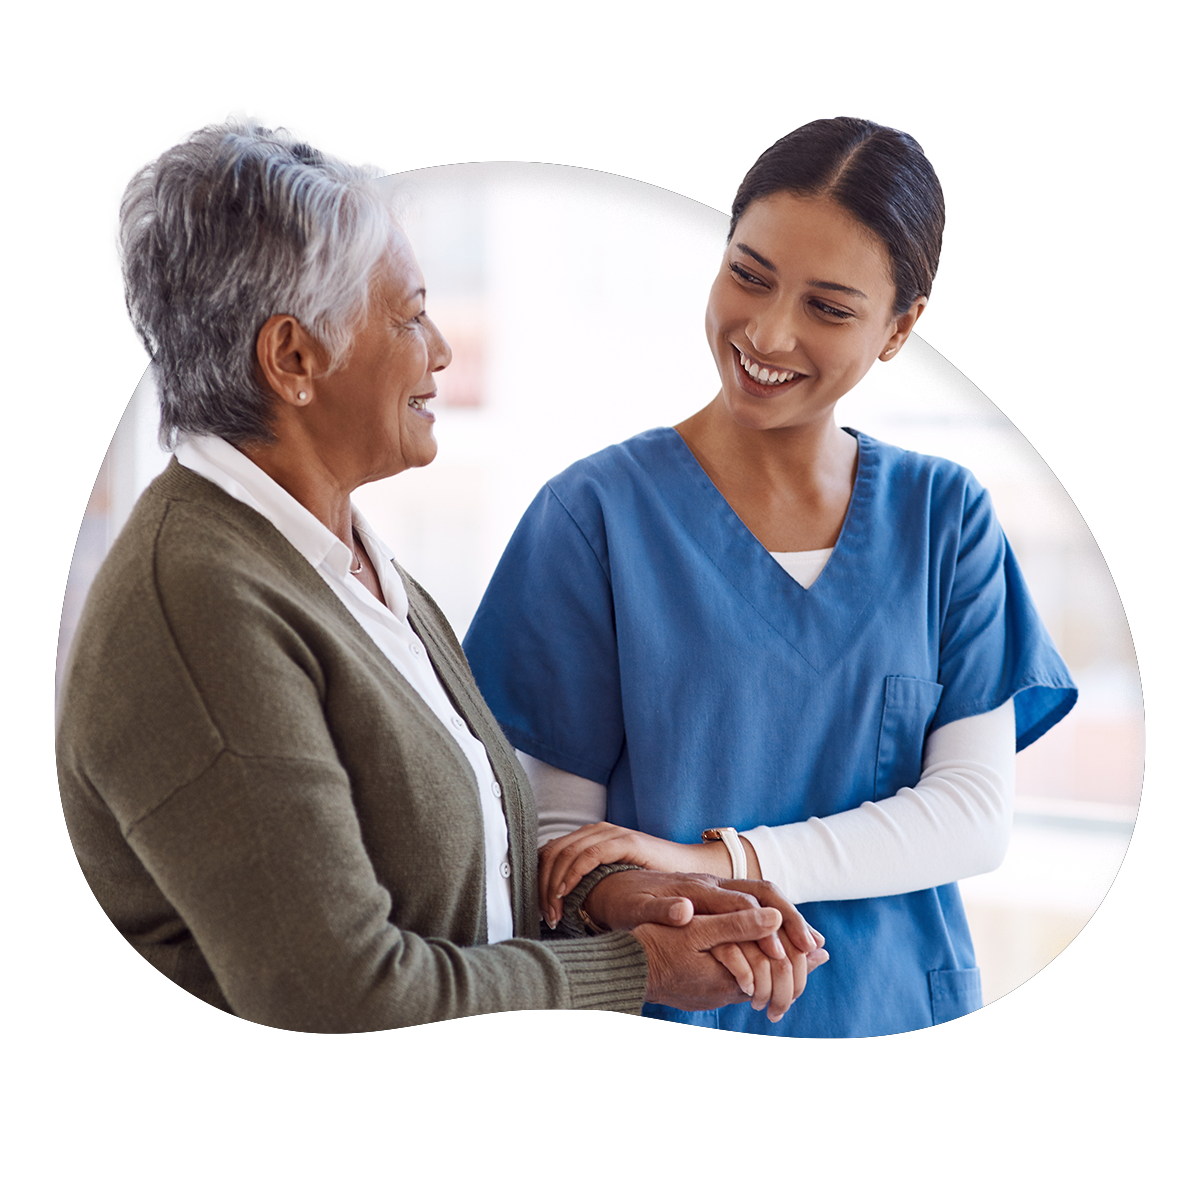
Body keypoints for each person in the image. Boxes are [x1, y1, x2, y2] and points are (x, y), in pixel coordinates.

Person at [55, 108, 828, 1034]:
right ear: (294, 357)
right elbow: (340, 996)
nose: (442, 348)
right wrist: (632, 968)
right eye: (412, 313)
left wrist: (612, 903)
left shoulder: (343, 560)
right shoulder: (200, 607)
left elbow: (451, 889)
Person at [463, 116, 1078, 1038]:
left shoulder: (944, 519)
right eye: (748, 274)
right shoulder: (592, 517)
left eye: (830, 308)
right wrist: (658, 896)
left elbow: (971, 815)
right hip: (672, 1016)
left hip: (899, 1012)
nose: (769, 331)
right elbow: (559, 845)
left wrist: (717, 859)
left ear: (899, 328)